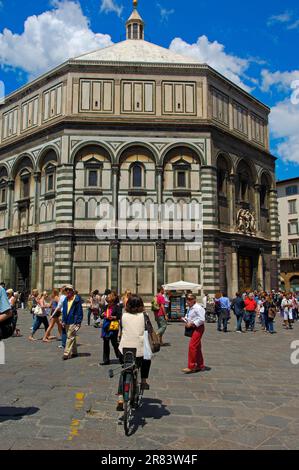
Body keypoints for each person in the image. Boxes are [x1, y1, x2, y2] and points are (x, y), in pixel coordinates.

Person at [116, 295, 152, 411]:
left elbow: (123, 329)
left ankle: (120, 398)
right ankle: (143, 381)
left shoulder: (124, 316)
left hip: (124, 349)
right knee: (146, 358)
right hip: (138, 350)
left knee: (124, 369)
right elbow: (149, 330)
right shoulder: (144, 316)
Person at [181, 294, 208, 374]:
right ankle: (200, 365)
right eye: (187, 299)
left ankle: (191, 366)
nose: (188, 301)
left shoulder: (198, 308)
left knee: (192, 346)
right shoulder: (190, 308)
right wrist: (185, 320)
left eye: (190, 299)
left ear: (194, 300)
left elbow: (202, 319)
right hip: (193, 328)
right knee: (197, 346)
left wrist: (192, 324)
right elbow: (189, 316)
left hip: (198, 328)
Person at [61, 285, 83, 360]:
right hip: (67, 320)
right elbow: (64, 311)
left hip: (74, 321)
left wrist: (79, 322)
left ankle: (66, 353)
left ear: (72, 291)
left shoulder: (76, 300)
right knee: (72, 336)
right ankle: (74, 352)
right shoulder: (65, 300)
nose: (67, 291)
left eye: (69, 290)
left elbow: (79, 311)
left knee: (69, 337)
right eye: (66, 290)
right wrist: (63, 320)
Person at [100, 291, 121, 366]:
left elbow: (119, 316)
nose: (109, 303)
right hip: (106, 326)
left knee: (114, 343)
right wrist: (102, 315)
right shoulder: (105, 307)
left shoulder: (117, 307)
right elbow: (101, 315)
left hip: (113, 326)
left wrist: (113, 317)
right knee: (105, 343)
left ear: (113, 301)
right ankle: (106, 360)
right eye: (108, 302)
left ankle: (120, 357)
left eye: (110, 302)